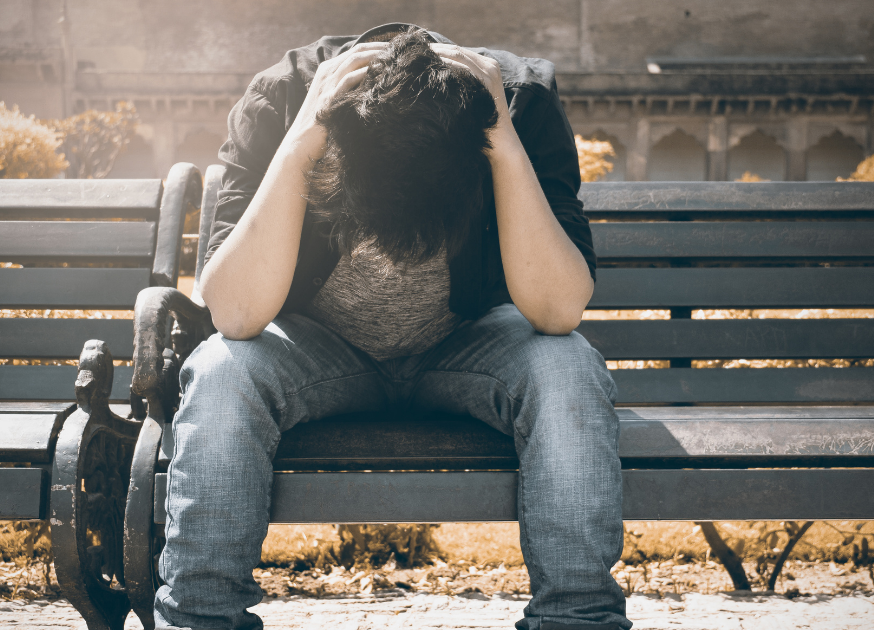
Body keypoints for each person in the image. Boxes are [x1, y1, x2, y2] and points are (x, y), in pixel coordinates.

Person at [156, 23, 630, 630]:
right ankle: (200, 619)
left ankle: (578, 621)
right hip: (317, 350)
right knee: (221, 370)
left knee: (567, 366)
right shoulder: (282, 99)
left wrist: (504, 145)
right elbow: (237, 314)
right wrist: (303, 141)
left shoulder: (518, 102)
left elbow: (557, 311)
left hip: (470, 342)